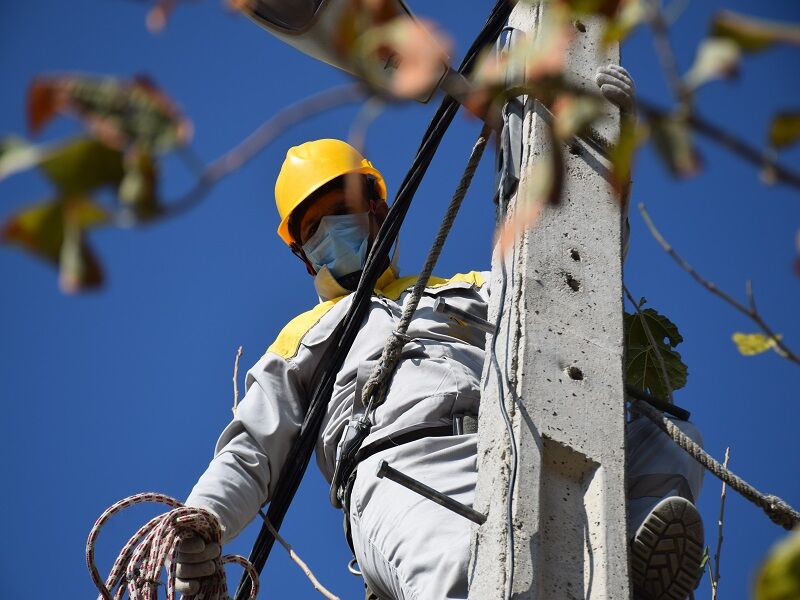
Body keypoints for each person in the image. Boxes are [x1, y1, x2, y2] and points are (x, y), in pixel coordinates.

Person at [177, 66, 705, 600]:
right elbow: (252, 449)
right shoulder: (302, 335)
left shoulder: (470, 286)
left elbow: (576, 278)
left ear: (380, 210)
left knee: (655, 437)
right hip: (405, 468)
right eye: (313, 229)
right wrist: (203, 519)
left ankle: (629, 573)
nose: (329, 233)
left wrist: (605, 153)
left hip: (516, 438)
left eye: (341, 212)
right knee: (466, 579)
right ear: (301, 252)